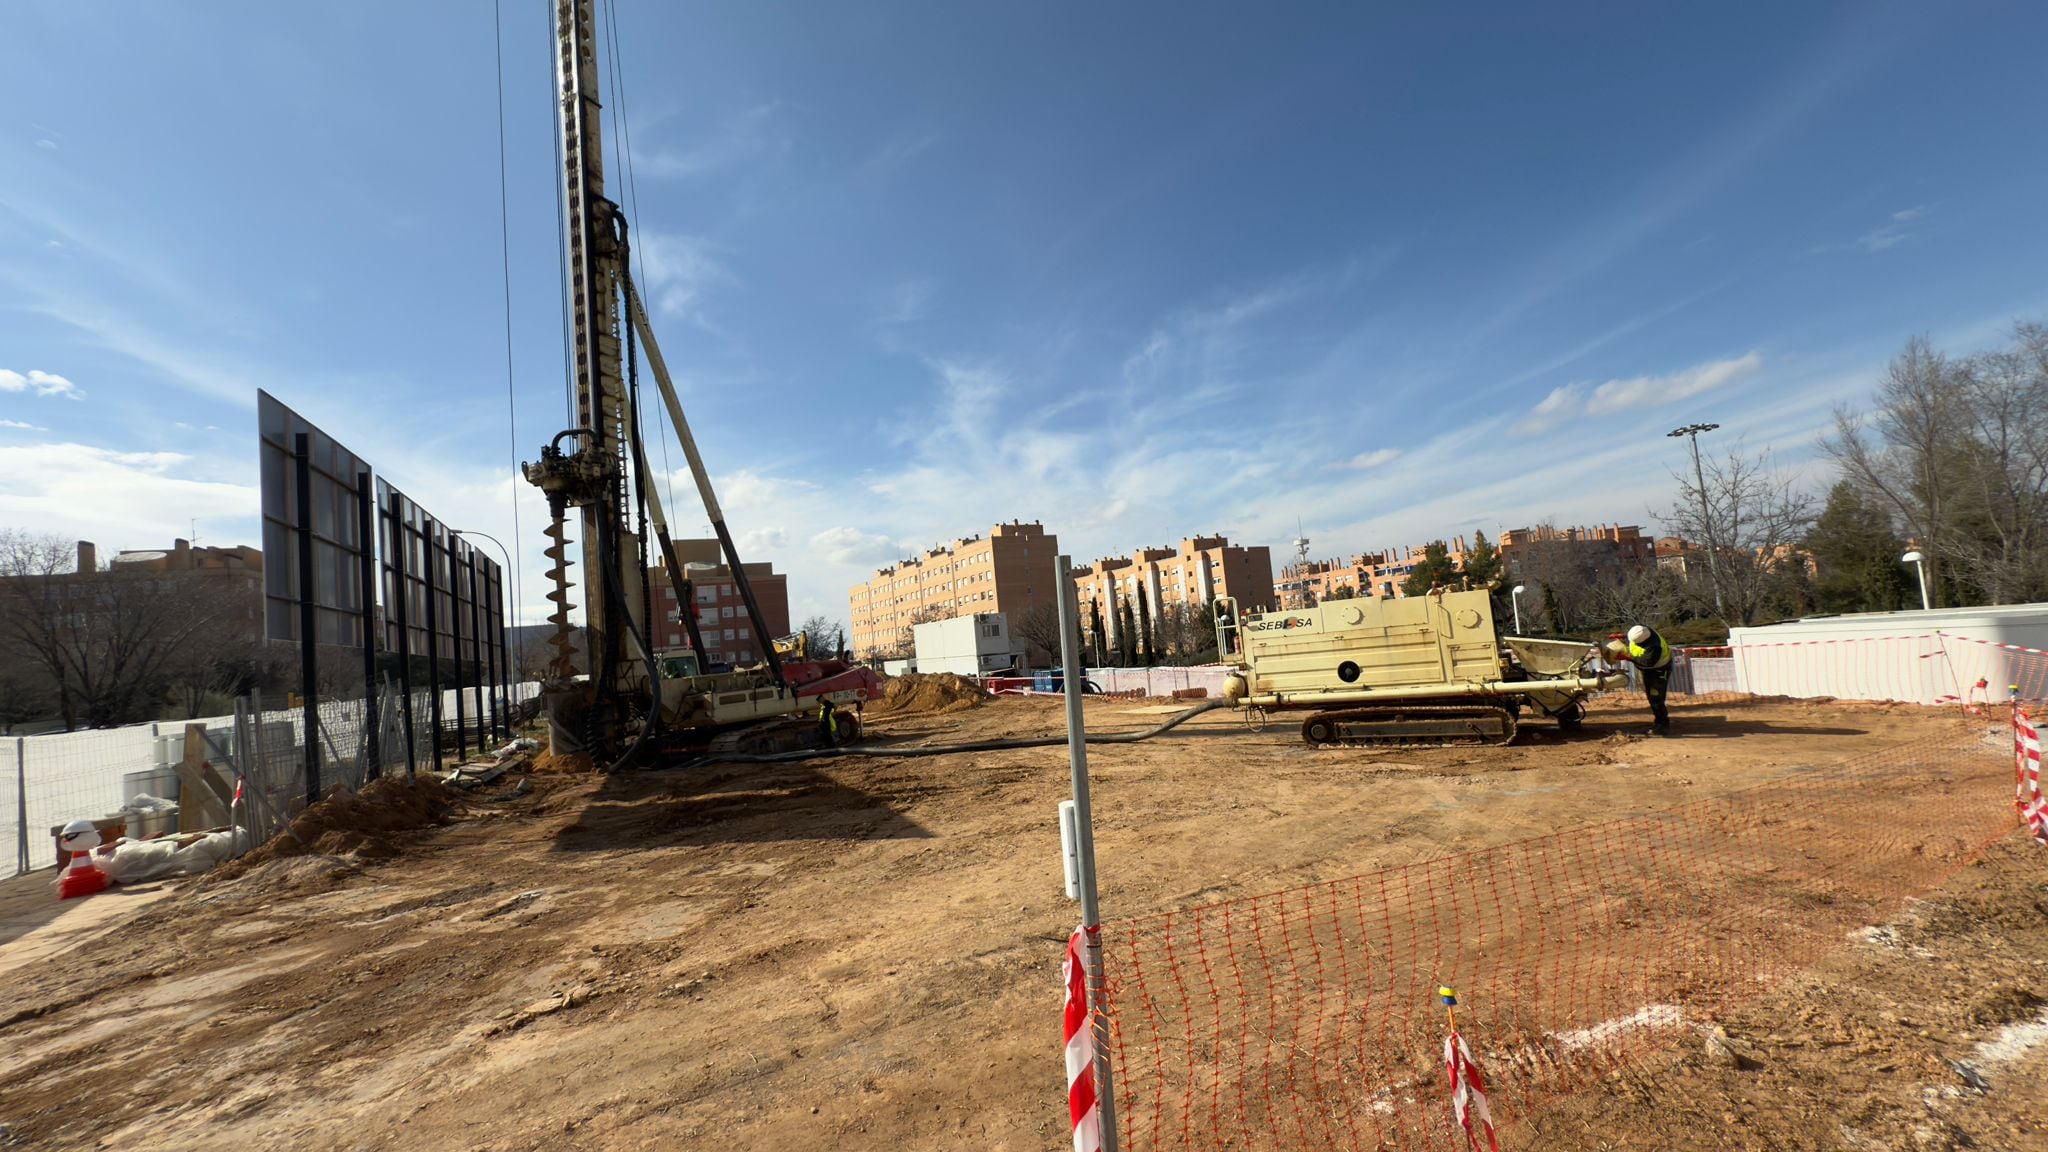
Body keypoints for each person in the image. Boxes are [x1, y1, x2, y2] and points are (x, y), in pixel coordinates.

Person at [1622, 624, 1673, 735]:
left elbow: (1647, 662)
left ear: (1643, 642)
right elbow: (1635, 635)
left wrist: (1628, 658)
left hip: (1658, 671)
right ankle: (1660, 720)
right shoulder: (1642, 630)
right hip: (1650, 670)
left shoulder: (1654, 647)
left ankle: (1662, 724)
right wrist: (1622, 637)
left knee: (1656, 698)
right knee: (1653, 697)